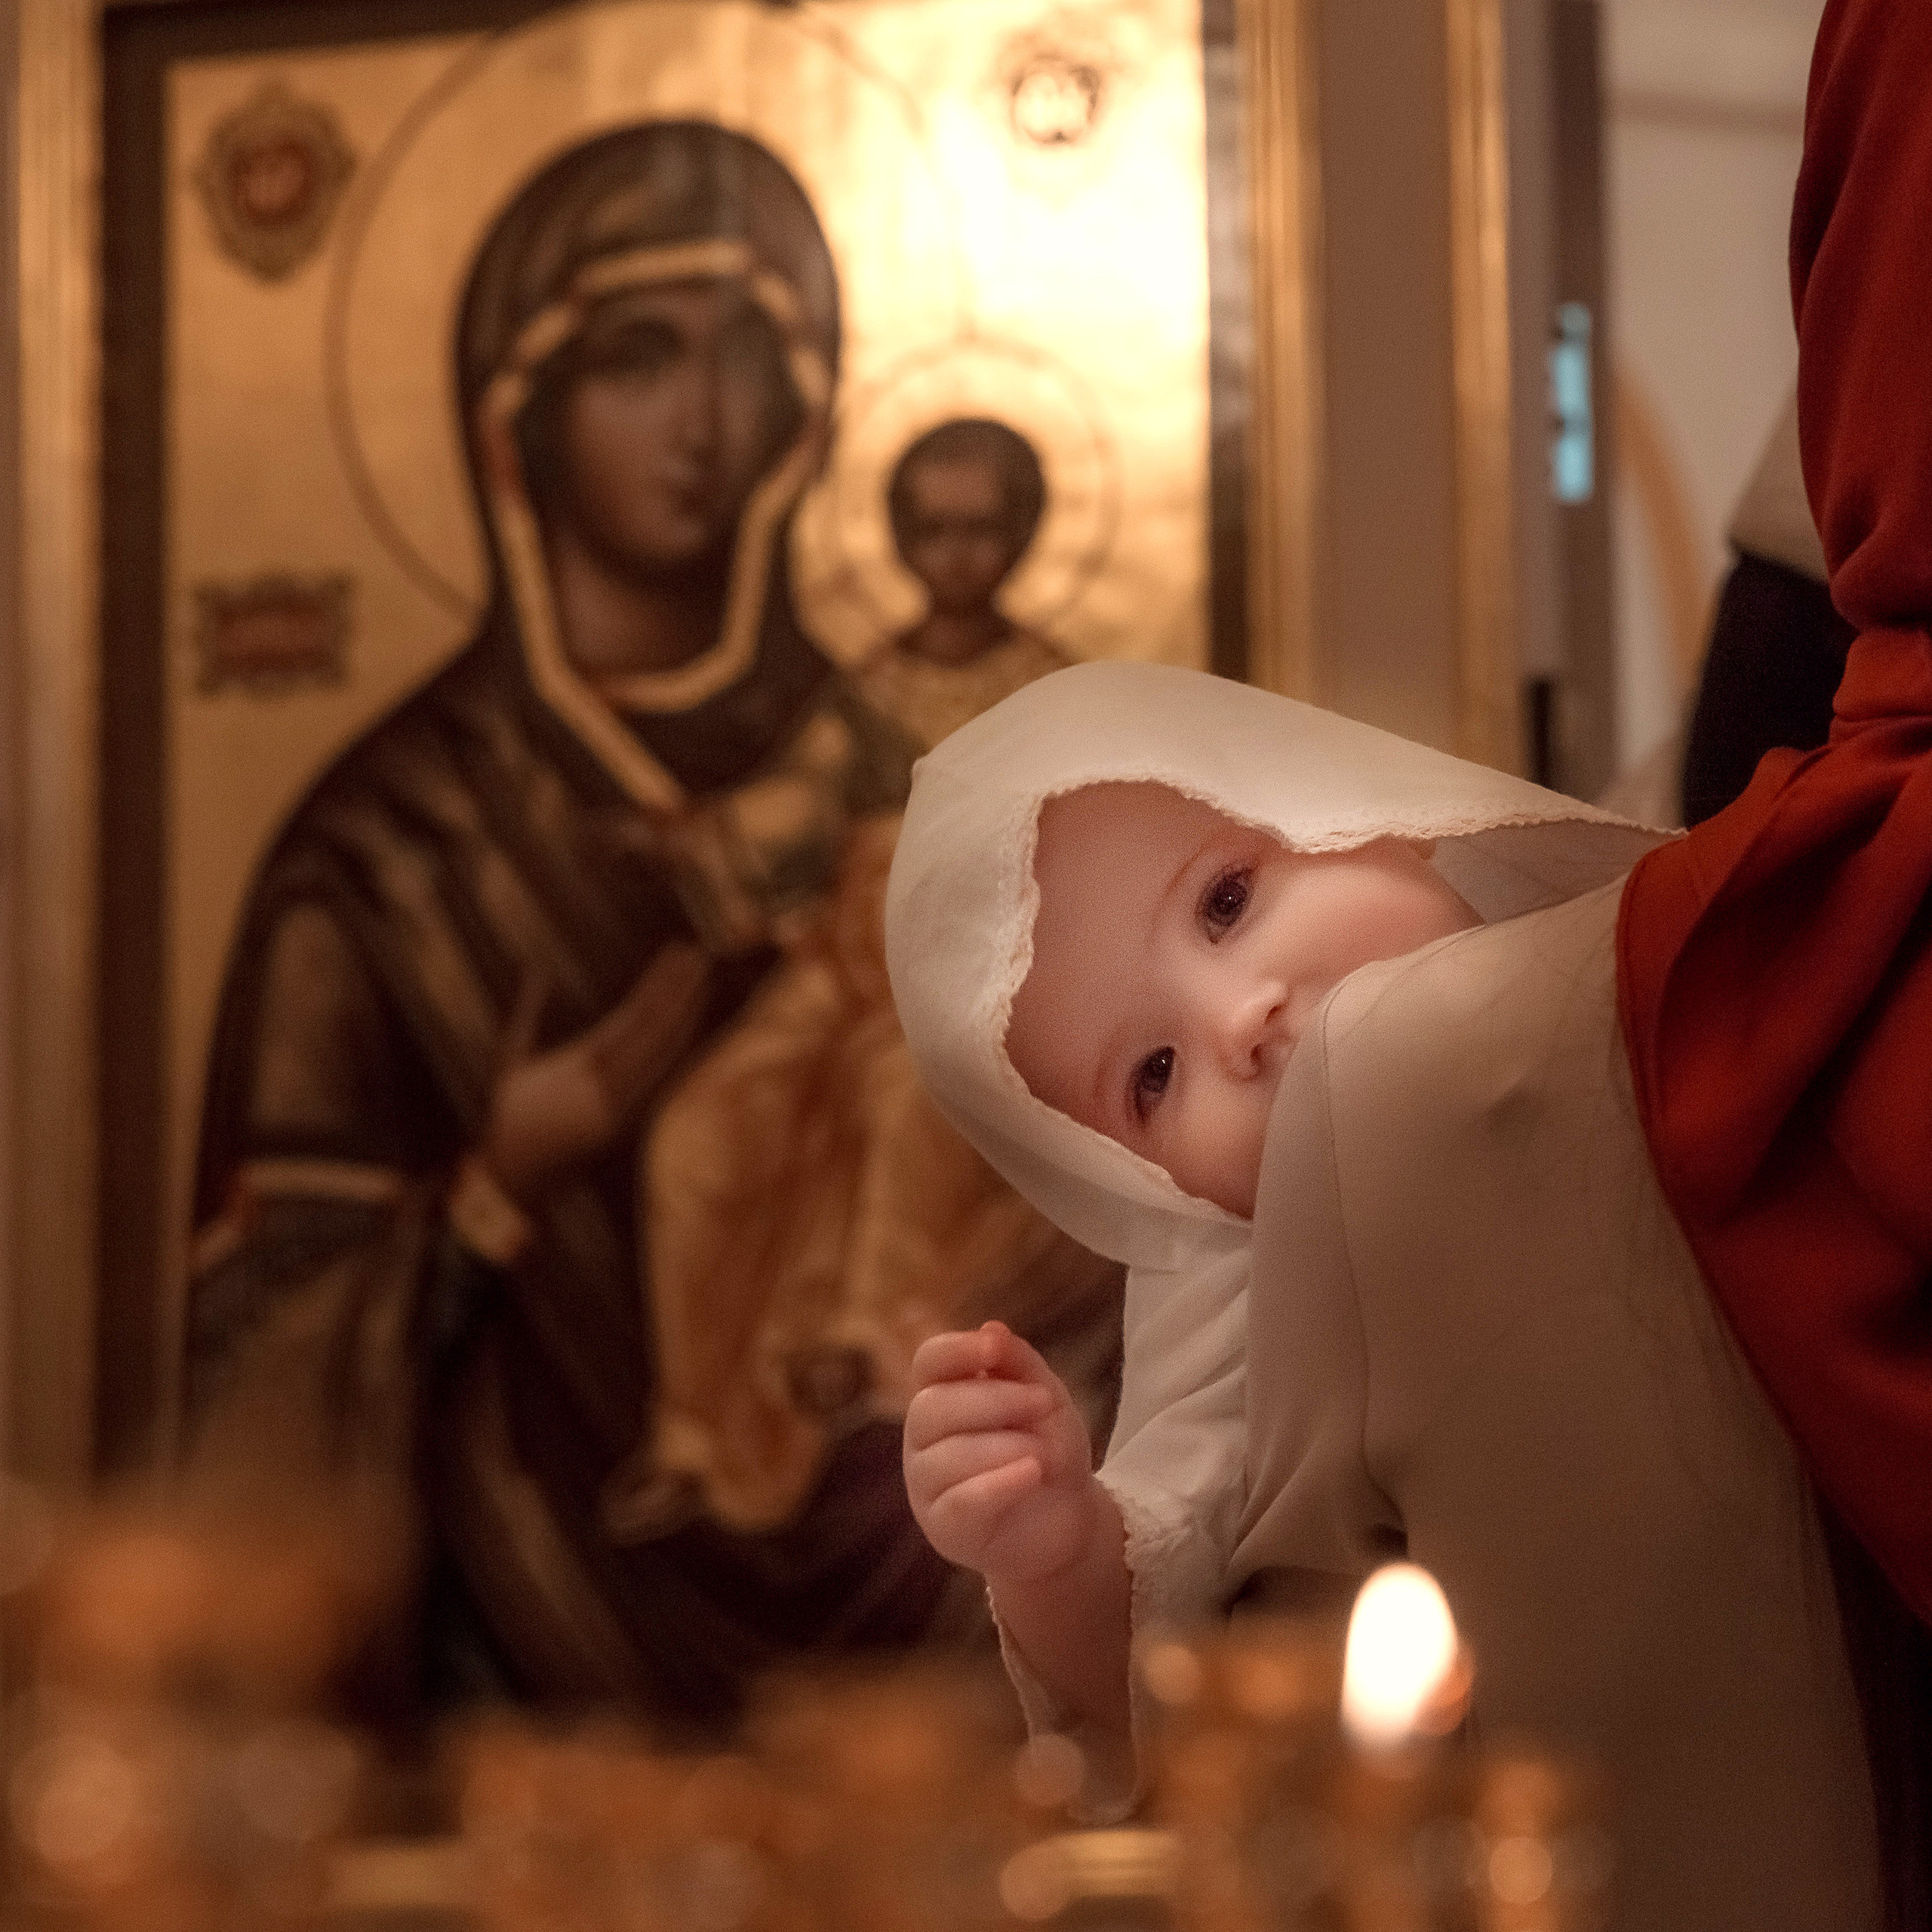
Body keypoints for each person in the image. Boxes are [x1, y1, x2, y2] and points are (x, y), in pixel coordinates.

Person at [184, 122, 1118, 1728]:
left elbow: (1127, 1197)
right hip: (513, 1688)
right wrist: (495, 1185)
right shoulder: (385, 844)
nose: (702, 418)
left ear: (804, 406)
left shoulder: (906, 736)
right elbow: (261, 1353)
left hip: (926, 1673)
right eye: (637, 357)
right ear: (511, 426)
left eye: (748, 356)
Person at [886, 660, 1880, 1930]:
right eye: (1150, 1077)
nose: (1238, 1020)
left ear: (1345, 802)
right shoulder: (1258, 1258)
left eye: (1229, 900)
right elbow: (1170, 1643)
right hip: (1583, 1819)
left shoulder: (1679, 961)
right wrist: (1058, 1548)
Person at [855, 417, 1070, 751]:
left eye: (980, 529)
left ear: (1019, 533)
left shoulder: (1054, 685)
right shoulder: (867, 691)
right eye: (933, 529)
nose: (956, 552)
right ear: (902, 536)